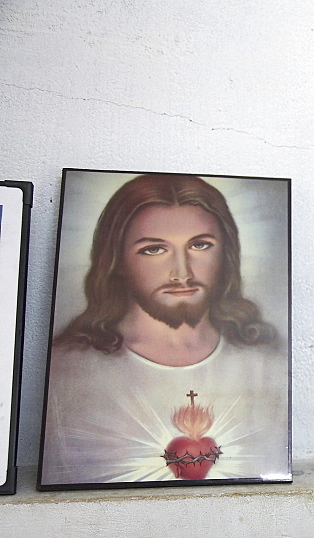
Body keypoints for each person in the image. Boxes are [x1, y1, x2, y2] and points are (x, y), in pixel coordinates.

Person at [40, 173, 290, 486]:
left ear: (226, 255)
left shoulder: (267, 364)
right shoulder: (66, 370)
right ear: (116, 261)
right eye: (154, 249)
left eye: (200, 245)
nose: (181, 273)